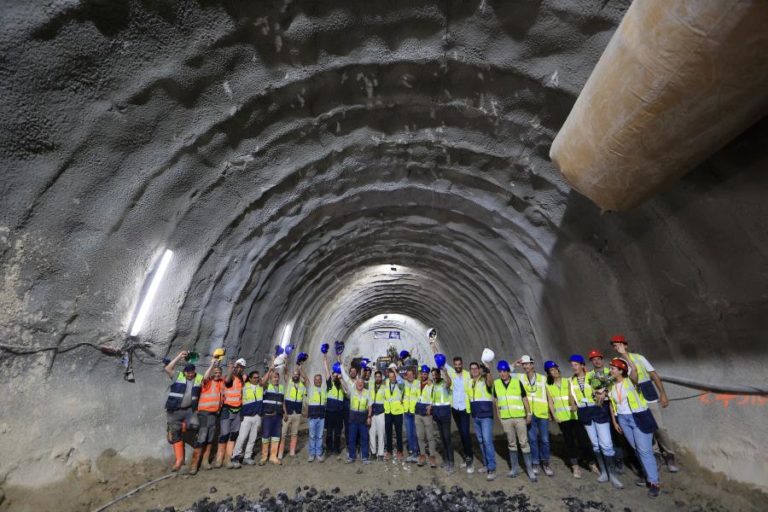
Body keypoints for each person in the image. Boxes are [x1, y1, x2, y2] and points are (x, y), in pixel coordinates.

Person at [610, 335, 678, 473]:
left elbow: (653, 375)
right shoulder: (615, 363)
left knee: (659, 427)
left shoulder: (639, 357)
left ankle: (670, 454)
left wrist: (663, 394)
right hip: (633, 399)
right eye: (615, 345)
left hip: (647, 393)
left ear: (625, 345)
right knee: (645, 428)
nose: (617, 347)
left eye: (619, 344)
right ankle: (656, 454)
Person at [609, 357, 661, 498]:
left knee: (644, 451)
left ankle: (654, 482)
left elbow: (635, 372)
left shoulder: (631, 381)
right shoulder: (611, 385)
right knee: (637, 449)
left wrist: (624, 354)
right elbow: (611, 404)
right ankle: (647, 474)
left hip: (638, 417)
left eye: (613, 368)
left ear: (621, 370)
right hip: (623, 419)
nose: (610, 370)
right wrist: (615, 421)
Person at [569, 354, 623, 488]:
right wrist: (573, 405)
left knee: (606, 444)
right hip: (584, 412)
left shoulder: (592, 376)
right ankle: (604, 472)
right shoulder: (571, 380)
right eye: (572, 365)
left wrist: (600, 396)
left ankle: (613, 475)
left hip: (597, 410)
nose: (573, 367)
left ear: (582, 365)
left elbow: (602, 391)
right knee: (595, 444)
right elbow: (571, 395)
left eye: (576, 364)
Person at [545, 360, 594, 479]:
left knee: (583, 439)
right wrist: (554, 415)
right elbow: (550, 401)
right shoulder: (548, 386)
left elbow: (573, 395)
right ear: (549, 373)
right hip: (562, 418)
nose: (555, 371)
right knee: (569, 441)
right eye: (552, 370)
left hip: (574, 416)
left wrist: (574, 405)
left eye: (556, 369)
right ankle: (575, 466)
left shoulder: (568, 381)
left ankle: (591, 463)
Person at [429, 340, 473, 471]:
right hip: (455, 409)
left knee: (465, 434)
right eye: (456, 364)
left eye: (459, 364)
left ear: (462, 364)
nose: (457, 366)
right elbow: (440, 359)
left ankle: (469, 459)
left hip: (465, 408)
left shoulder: (467, 375)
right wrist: (433, 344)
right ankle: (465, 458)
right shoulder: (452, 372)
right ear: (454, 365)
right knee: (460, 433)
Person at [494, 360, 535, 481]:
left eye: (504, 371)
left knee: (524, 443)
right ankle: (514, 469)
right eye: (500, 371)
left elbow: (524, 398)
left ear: (508, 371)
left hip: (519, 417)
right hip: (506, 419)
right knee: (511, 444)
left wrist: (529, 414)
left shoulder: (517, 382)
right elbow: (496, 401)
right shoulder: (496, 384)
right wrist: (499, 417)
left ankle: (530, 469)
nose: (502, 373)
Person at [163, 351, 202, 472]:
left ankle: (184, 429)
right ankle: (179, 460)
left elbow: (207, 376)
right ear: (185, 372)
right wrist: (179, 356)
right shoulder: (178, 376)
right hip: (175, 410)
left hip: (190, 410)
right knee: (175, 434)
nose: (190, 374)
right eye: (188, 372)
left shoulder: (198, 378)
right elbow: (168, 368)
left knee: (195, 427)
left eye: (192, 372)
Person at [588, 349, 626, 474]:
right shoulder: (590, 375)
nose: (597, 361)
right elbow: (591, 389)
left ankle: (620, 459)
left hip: (612, 404)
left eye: (599, 359)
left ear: (602, 359)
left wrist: (604, 390)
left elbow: (615, 383)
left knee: (616, 433)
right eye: (594, 360)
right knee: (605, 435)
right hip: (600, 406)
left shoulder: (610, 371)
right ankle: (611, 460)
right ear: (591, 362)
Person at [516, 355, 552, 477]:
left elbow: (548, 396)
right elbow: (506, 373)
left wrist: (550, 412)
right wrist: (515, 364)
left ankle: (545, 463)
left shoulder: (542, 378)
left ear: (533, 365)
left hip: (542, 413)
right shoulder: (520, 377)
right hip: (529, 414)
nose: (525, 366)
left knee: (545, 439)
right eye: (524, 364)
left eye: (528, 364)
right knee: (532, 439)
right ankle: (535, 462)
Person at [468, 361, 497, 481]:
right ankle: (486, 464)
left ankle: (492, 468)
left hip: (486, 415)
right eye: (472, 368)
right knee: (480, 441)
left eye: (476, 368)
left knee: (487, 440)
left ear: (480, 369)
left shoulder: (485, 379)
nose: (474, 370)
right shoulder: (470, 382)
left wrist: (488, 371)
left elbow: (491, 383)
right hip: (476, 415)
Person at [216, 358, 245, 469]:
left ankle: (227, 459)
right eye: (238, 366)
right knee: (224, 434)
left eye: (241, 367)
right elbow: (227, 381)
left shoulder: (242, 379)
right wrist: (230, 370)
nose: (239, 369)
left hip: (237, 410)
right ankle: (219, 459)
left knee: (233, 435)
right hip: (226, 409)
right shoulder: (230, 376)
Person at [195, 361, 224, 473]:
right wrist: (212, 365)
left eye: (219, 372)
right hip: (204, 413)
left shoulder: (221, 383)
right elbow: (205, 376)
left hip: (213, 414)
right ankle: (194, 463)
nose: (217, 374)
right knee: (202, 437)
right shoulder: (207, 381)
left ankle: (205, 461)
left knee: (210, 438)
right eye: (215, 372)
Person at [231, 369, 263, 468]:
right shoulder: (244, 386)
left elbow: (265, 379)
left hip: (257, 416)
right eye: (254, 378)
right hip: (246, 416)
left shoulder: (260, 387)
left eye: (258, 377)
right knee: (242, 437)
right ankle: (235, 457)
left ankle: (247, 457)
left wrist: (270, 369)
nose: (257, 379)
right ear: (250, 378)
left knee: (253, 438)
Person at [340, 375, 372, 463]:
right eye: (358, 383)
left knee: (364, 438)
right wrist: (340, 379)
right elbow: (345, 386)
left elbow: (369, 406)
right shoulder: (352, 391)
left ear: (363, 384)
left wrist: (369, 417)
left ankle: (365, 457)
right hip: (353, 418)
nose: (360, 384)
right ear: (356, 384)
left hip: (363, 418)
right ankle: (351, 457)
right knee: (352, 438)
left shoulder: (367, 392)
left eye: (361, 383)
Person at [279, 365, 306, 460]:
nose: (295, 376)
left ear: (299, 376)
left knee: (294, 434)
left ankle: (292, 452)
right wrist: (286, 364)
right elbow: (286, 373)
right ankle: (280, 453)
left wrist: (300, 369)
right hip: (288, 412)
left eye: (297, 374)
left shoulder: (303, 385)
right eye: (294, 374)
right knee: (283, 434)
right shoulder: (289, 382)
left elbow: (306, 379)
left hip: (297, 413)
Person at [431, 367, 455, 473]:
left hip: (445, 413)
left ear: (439, 375)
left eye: (436, 374)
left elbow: (449, 382)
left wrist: (445, 372)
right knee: (442, 438)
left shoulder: (444, 384)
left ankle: (451, 462)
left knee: (447, 438)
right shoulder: (434, 385)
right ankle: (445, 460)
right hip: (437, 414)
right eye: (433, 375)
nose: (434, 376)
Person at [260, 362, 285, 465]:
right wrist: (270, 370)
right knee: (265, 436)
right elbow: (261, 382)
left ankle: (273, 457)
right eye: (274, 377)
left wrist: (285, 412)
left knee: (276, 436)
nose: (276, 379)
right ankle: (264, 457)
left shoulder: (281, 388)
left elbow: (282, 401)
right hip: (267, 415)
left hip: (278, 416)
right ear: (271, 378)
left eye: (277, 377)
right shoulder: (266, 386)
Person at [414, 365, 437, 468]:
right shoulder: (416, 383)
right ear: (420, 374)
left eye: (425, 374)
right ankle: (422, 455)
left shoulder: (431, 385)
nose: (423, 375)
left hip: (427, 413)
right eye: (422, 373)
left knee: (430, 436)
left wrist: (431, 406)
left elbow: (434, 397)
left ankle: (432, 457)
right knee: (420, 436)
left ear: (427, 375)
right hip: (417, 413)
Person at [323, 355, 345, 458]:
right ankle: (329, 448)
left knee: (338, 431)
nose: (335, 376)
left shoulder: (341, 385)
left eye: (337, 374)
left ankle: (336, 448)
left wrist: (338, 356)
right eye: (334, 375)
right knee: (329, 431)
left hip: (339, 412)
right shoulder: (329, 384)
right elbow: (326, 369)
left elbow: (340, 369)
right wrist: (325, 357)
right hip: (330, 412)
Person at [307, 365, 328, 462]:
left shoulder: (324, 390)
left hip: (321, 417)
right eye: (316, 379)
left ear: (321, 380)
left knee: (319, 436)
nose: (318, 381)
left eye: (319, 379)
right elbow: (305, 379)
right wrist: (300, 367)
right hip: (312, 417)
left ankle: (318, 453)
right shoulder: (310, 389)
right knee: (312, 436)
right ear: (314, 381)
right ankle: (312, 454)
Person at [383, 366, 405, 461]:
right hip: (388, 412)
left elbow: (401, 381)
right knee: (388, 432)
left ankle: (400, 451)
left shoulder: (400, 384)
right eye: (390, 376)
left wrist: (395, 371)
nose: (392, 378)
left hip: (398, 412)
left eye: (393, 376)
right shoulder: (386, 383)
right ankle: (389, 451)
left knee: (399, 432)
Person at [402, 368, 421, 463]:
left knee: (415, 433)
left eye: (411, 374)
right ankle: (412, 452)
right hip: (407, 411)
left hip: (415, 412)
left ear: (414, 375)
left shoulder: (418, 383)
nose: (409, 376)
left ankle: (417, 452)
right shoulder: (404, 384)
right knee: (409, 433)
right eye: (408, 374)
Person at [369, 370, 387, 460]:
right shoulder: (371, 386)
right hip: (372, 412)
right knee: (371, 433)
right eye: (376, 377)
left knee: (381, 433)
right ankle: (373, 452)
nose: (378, 378)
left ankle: (380, 454)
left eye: (379, 376)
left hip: (381, 412)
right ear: (374, 378)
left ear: (381, 377)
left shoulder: (384, 387)